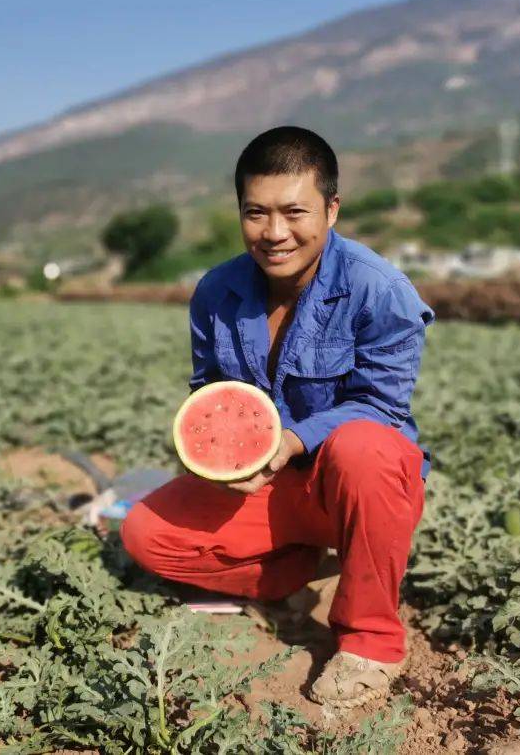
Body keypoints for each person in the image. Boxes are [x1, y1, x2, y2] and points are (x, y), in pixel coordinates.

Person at [120, 125, 434, 708]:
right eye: (255, 213)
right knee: (145, 536)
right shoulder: (216, 291)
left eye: (294, 212)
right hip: (269, 489)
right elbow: (212, 391)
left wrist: (291, 441)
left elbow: (381, 406)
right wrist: (223, 459)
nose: (274, 233)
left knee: (363, 446)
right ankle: (299, 573)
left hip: (355, 488)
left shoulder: (379, 289)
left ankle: (371, 640)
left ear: (332, 209)